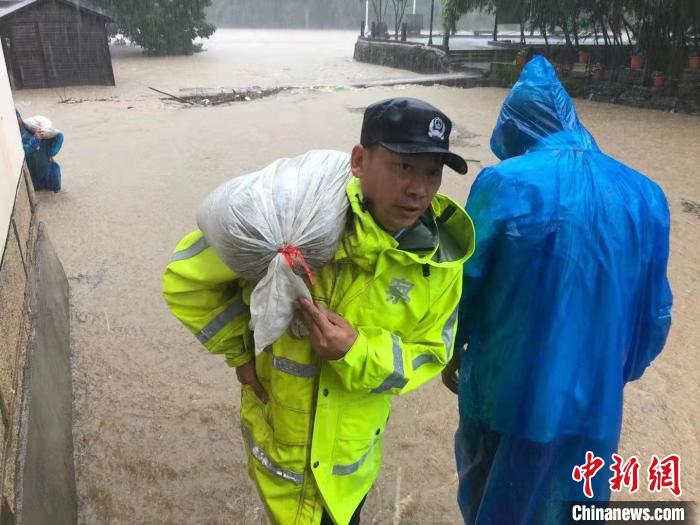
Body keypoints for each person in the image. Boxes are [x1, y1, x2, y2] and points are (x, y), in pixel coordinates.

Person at [163, 97, 475, 525]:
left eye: (431, 172)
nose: (419, 188)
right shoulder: (296, 227)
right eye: (404, 166)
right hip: (282, 466)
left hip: (348, 473)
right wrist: (240, 355)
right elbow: (187, 280)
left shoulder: (437, 266)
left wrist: (355, 352)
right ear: (360, 161)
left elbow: (429, 354)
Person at [442, 56, 673, 524]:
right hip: (595, 407)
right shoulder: (645, 195)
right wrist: (607, 374)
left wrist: (451, 353)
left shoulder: (503, 183)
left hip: (504, 394)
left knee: (492, 503)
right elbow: (655, 315)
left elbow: (461, 288)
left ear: (517, 128)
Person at [16, 110, 63, 192]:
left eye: (16, 118)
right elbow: (22, 155)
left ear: (19, 118)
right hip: (35, 180)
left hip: (51, 177)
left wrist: (50, 150)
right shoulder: (18, 138)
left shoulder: (41, 131)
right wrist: (35, 139)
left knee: (55, 197)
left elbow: (59, 137)